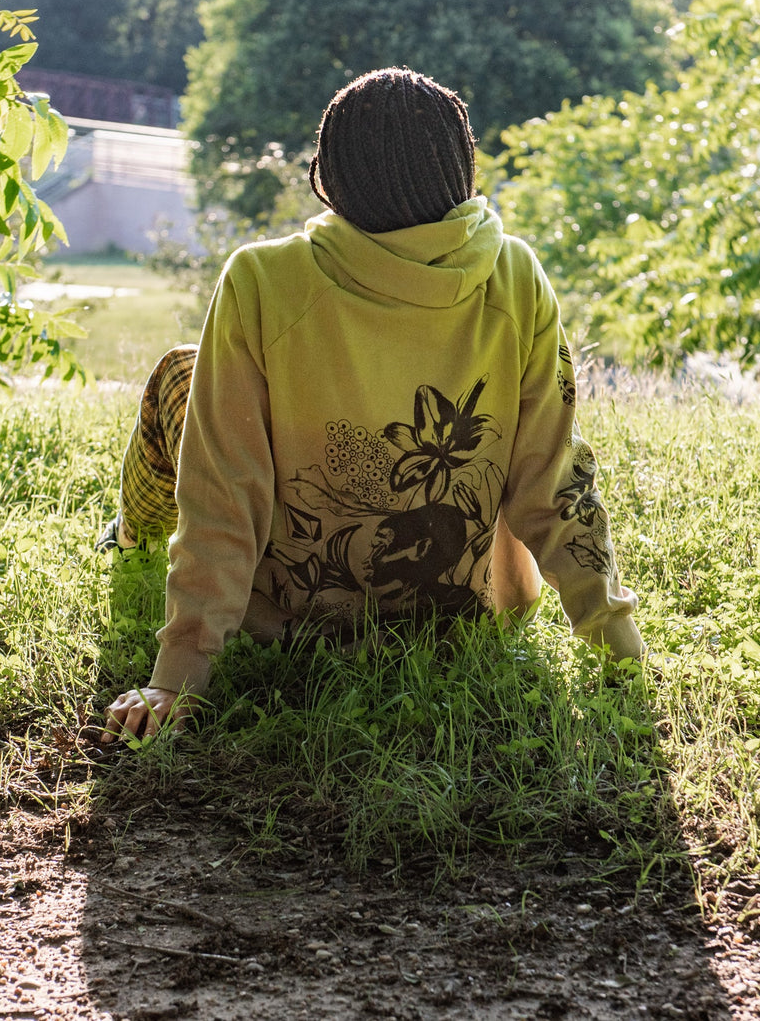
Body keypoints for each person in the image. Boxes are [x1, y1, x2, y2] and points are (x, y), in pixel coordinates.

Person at [101, 67, 644, 743]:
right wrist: (619, 646)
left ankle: (129, 537)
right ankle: (128, 537)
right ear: (461, 170)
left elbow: (225, 492)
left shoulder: (261, 279)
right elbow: (554, 480)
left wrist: (177, 675)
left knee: (181, 370)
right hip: (464, 619)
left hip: (293, 622)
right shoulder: (514, 274)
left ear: (329, 176)